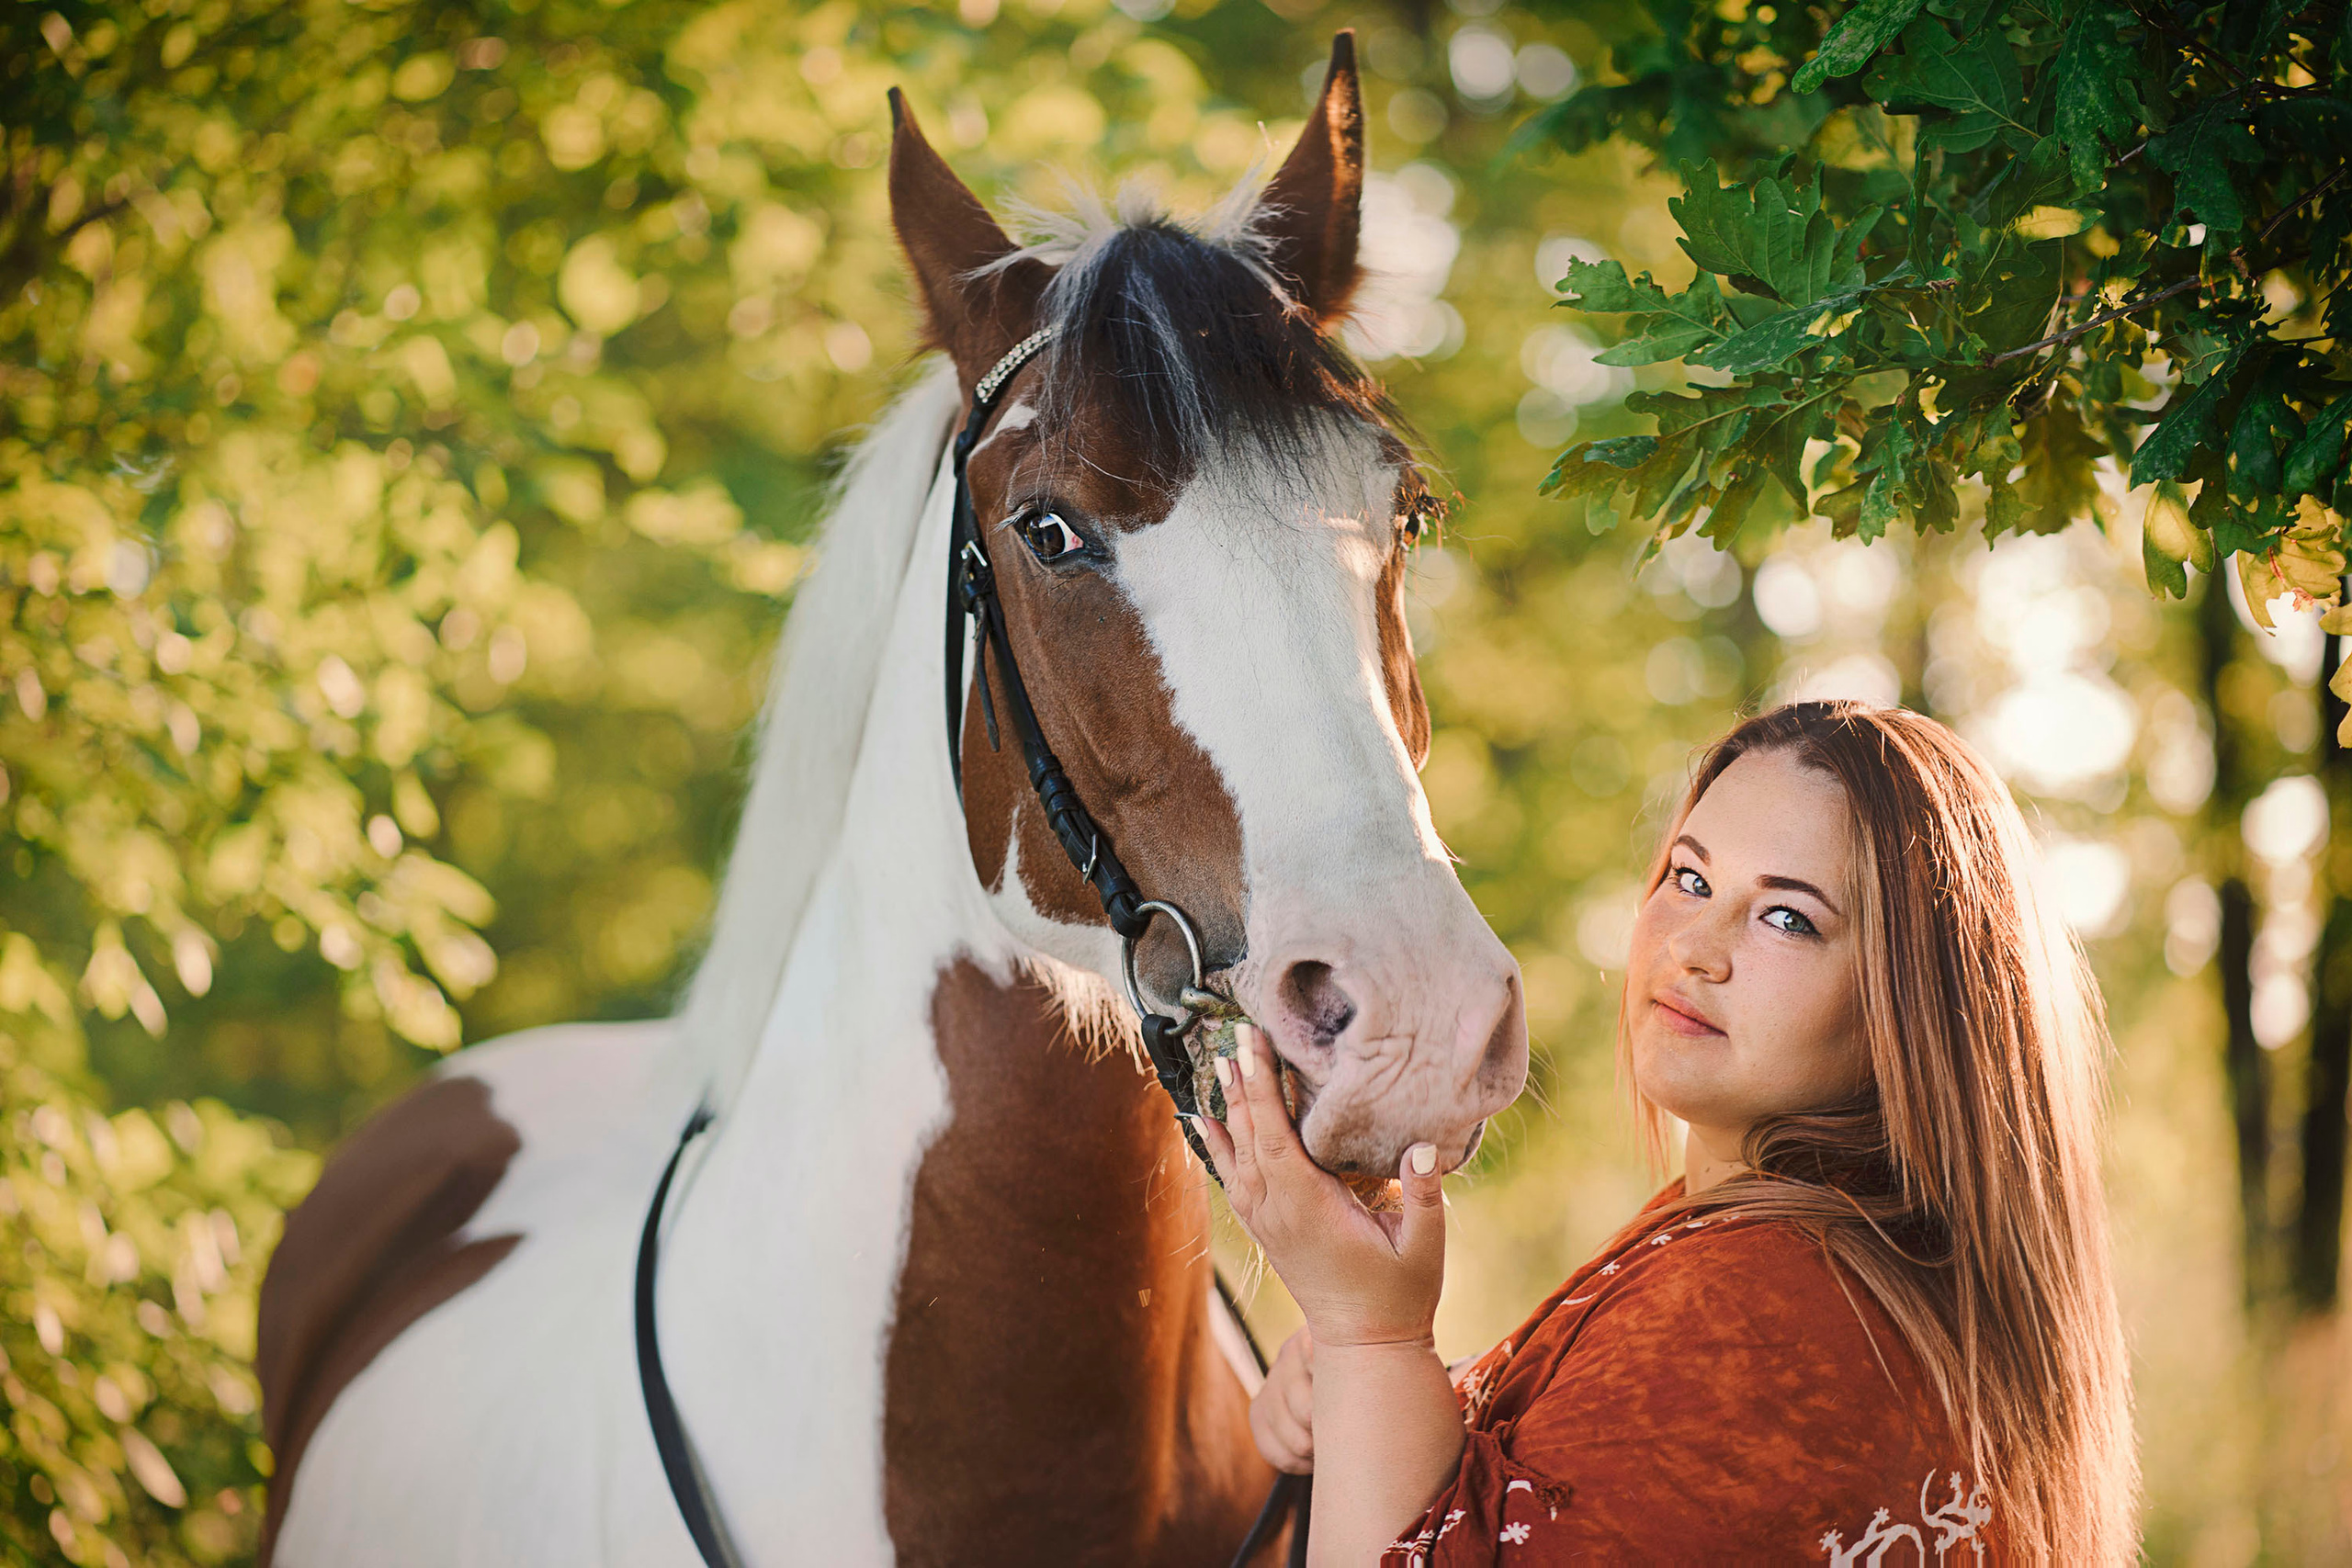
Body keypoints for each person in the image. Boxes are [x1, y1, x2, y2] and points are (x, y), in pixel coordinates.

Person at [1194, 700, 2138, 1564]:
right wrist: (1368, 1404)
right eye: (1688, 877)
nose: (1693, 945)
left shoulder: (1771, 1315)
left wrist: (1370, 1338)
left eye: (1785, 917)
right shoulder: (1801, 1271)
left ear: (1917, 1006)